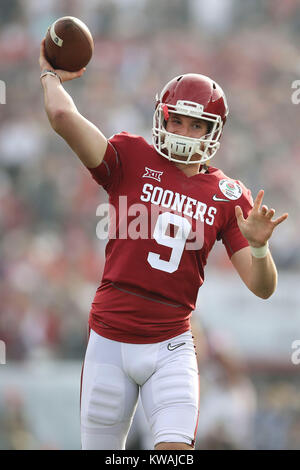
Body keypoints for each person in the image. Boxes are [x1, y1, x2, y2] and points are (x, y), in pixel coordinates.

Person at [39, 39, 288, 451]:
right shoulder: (131, 156)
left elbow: (263, 287)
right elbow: (63, 115)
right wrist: (49, 73)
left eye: (197, 125)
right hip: (109, 339)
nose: (184, 132)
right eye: (177, 121)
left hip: (171, 345)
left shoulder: (229, 195)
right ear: (162, 118)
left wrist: (260, 248)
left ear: (214, 131)